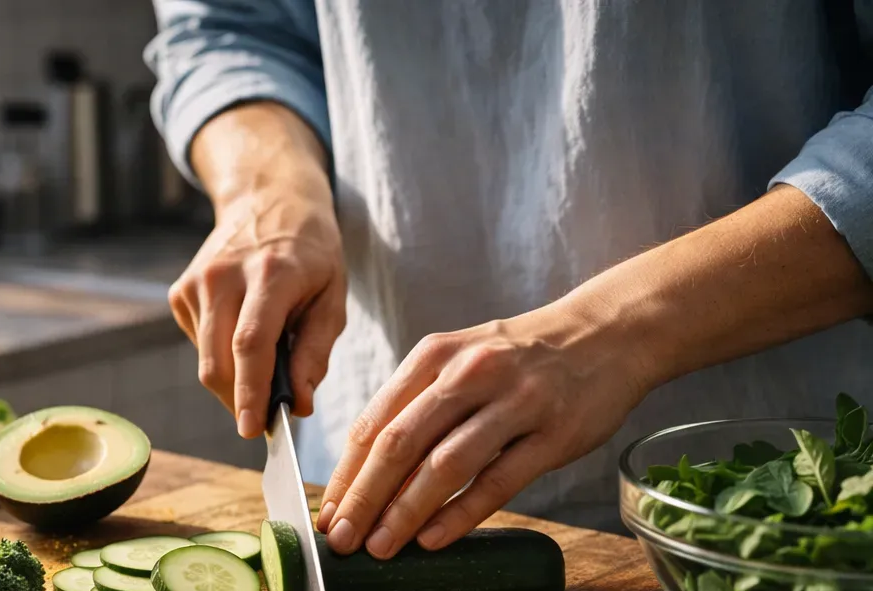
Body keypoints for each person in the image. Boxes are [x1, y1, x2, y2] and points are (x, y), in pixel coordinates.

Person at [146, 0, 873, 559]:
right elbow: (231, 29)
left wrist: (621, 329)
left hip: (779, 518)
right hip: (376, 479)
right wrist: (266, 187)